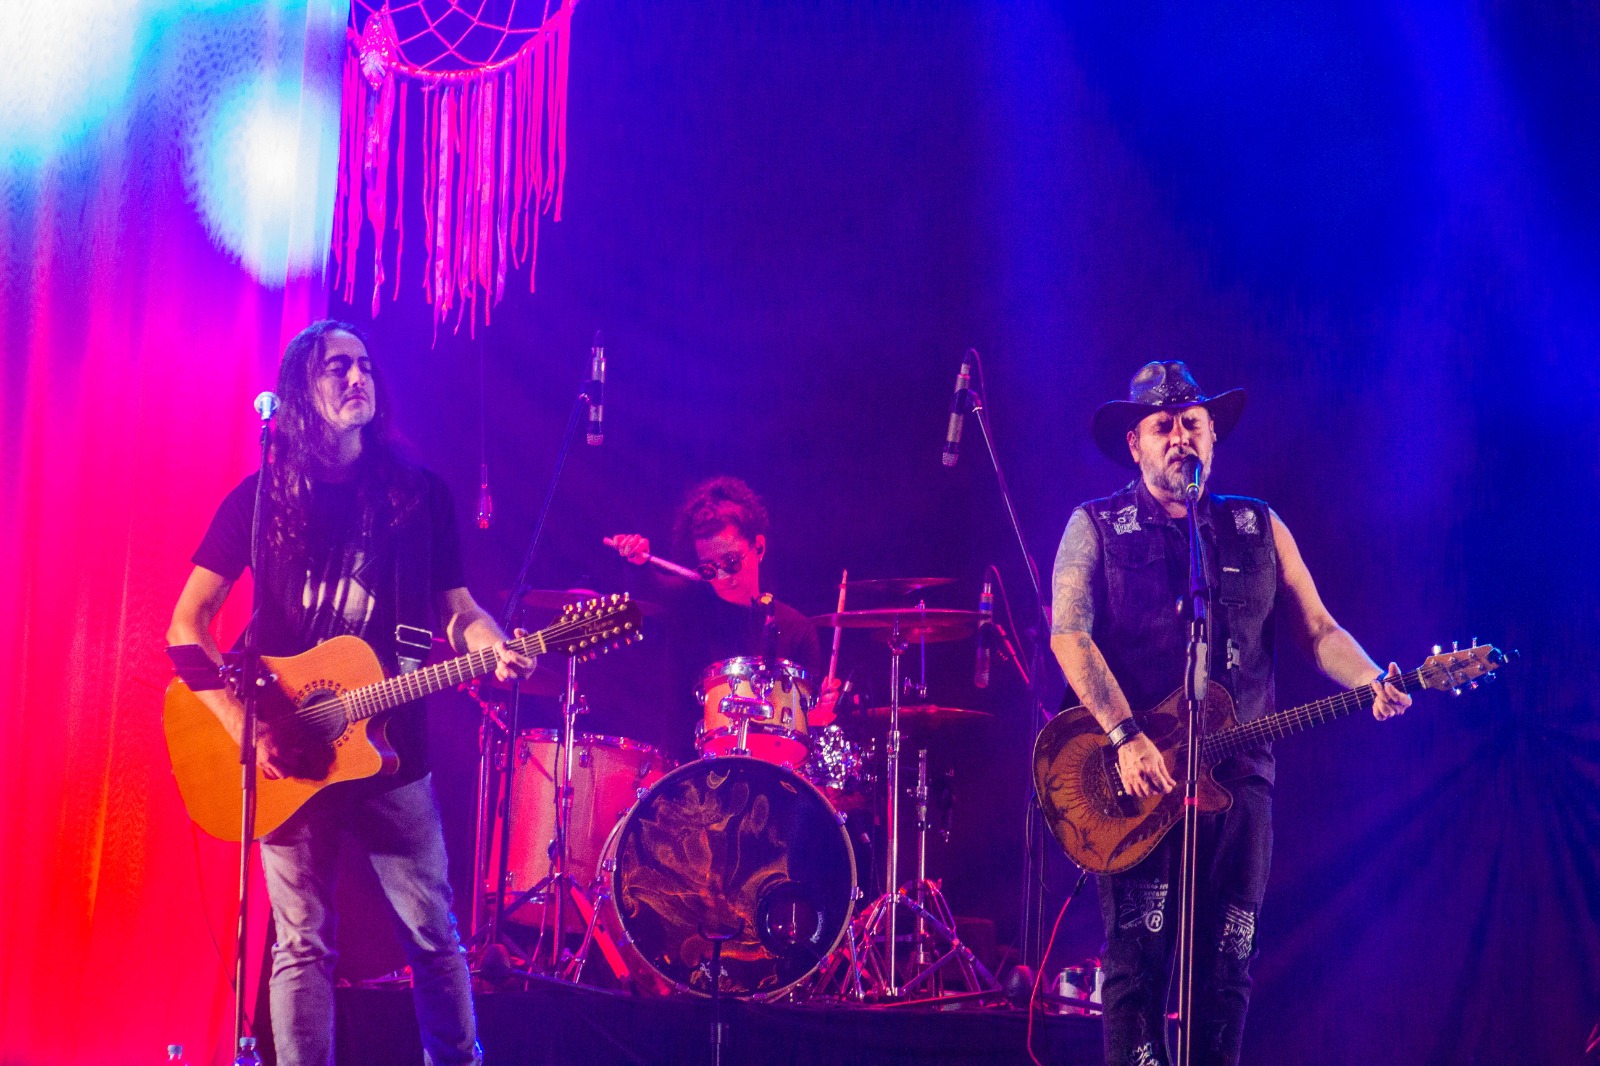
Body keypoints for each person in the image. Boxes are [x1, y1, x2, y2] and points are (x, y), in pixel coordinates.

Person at [166, 320, 533, 1066]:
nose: (358, 376)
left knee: (433, 935)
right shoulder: (261, 498)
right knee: (301, 942)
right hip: (286, 747)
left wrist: (490, 643)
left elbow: (457, 610)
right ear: (302, 389)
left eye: (365, 363)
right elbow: (185, 626)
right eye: (338, 367)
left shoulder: (419, 497)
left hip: (394, 751)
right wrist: (244, 725)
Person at [1049, 361, 1412, 1066]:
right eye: (1162, 425)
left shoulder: (1257, 526)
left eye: (1192, 423)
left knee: (1228, 966)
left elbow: (1319, 629)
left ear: (1212, 433)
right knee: (1136, 968)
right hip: (1136, 779)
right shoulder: (1096, 526)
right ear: (1135, 442)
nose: (1179, 437)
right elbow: (1070, 634)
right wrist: (1124, 734)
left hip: (1241, 776)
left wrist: (1370, 677)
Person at [607, 475, 841, 762]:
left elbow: (806, 723)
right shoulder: (689, 605)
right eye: (709, 568)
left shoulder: (796, 628)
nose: (722, 577)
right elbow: (650, 592)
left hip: (770, 772)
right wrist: (636, 565)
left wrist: (819, 709)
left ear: (759, 547)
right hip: (689, 769)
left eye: (731, 562)